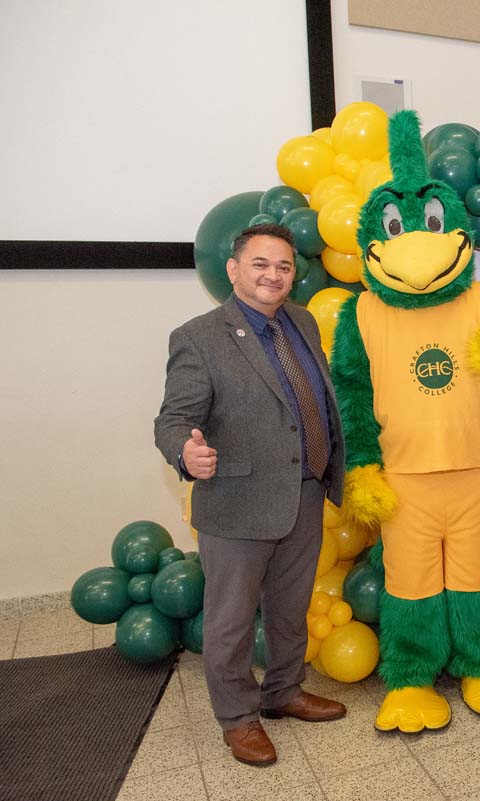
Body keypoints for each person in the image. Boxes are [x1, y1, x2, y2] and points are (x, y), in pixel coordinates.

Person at [154, 223, 347, 767]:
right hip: (237, 502)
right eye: (261, 264)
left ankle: (284, 691)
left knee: (290, 610)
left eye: (284, 266)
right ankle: (238, 719)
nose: (274, 275)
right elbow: (174, 420)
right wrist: (185, 454)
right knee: (231, 621)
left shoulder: (303, 322)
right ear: (234, 269)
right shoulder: (198, 336)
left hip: (305, 493)